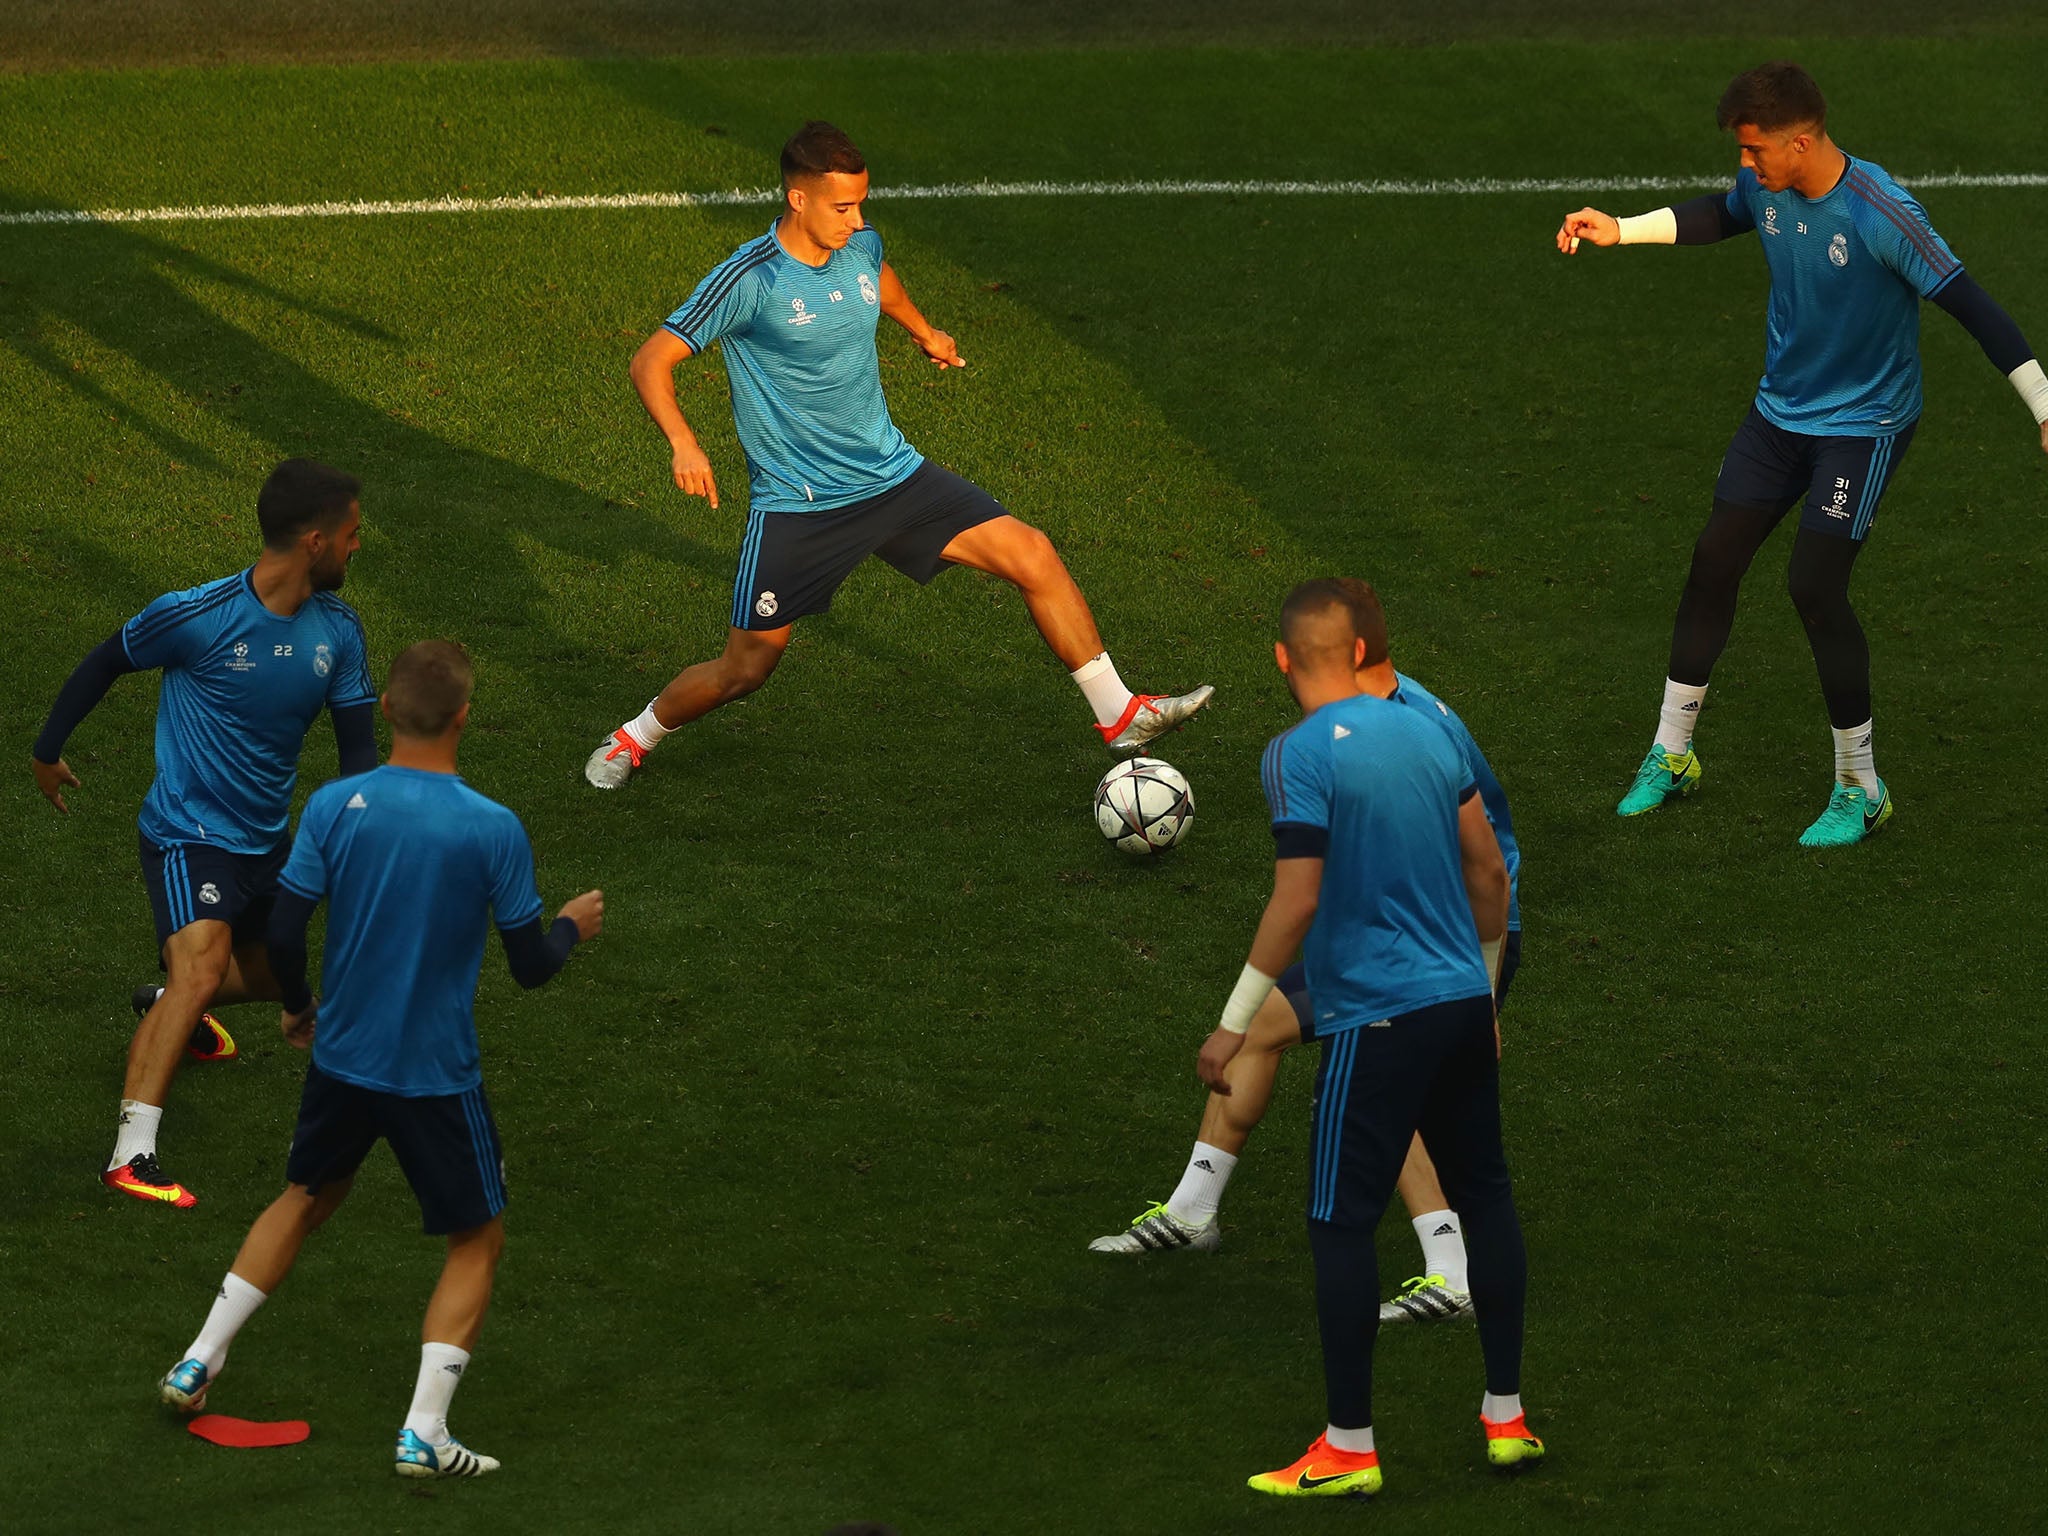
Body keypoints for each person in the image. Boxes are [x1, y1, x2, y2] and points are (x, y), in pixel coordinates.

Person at [583, 120, 1210, 789]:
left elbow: (879, 281)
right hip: (802, 507)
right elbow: (652, 359)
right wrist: (684, 441)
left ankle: (1120, 714)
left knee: (1033, 553)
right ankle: (635, 736)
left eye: (861, 205)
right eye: (842, 207)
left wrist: (923, 331)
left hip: (893, 478)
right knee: (745, 670)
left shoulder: (860, 247)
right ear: (799, 199)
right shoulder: (751, 279)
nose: (857, 222)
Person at [1557, 61, 2048, 847]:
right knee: (1714, 560)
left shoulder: (1882, 213)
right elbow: (1720, 215)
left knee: (1814, 586)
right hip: (1778, 414)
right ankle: (1672, 755)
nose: (1745, 166)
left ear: (1801, 140)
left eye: (1755, 151)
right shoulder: (1767, 186)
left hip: (1863, 426)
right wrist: (1621, 227)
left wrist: (2044, 403)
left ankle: (1861, 787)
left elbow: (1971, 303)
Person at [157, 640, 604, 1480]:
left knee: (304, 1197)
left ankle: (198, 1360)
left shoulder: (334, 805)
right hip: (434, 1073)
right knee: (477, 1237)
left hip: (343, 1057)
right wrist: (573, 925)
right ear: (465, 716)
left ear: (389, 712)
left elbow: (285, 930)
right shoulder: (492, 828)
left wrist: (296, 1006)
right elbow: (531, 968)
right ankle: (423, 1432)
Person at [1091, 580, 1521, 1329]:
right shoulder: (1382, 714)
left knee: (1387, 1077)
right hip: (1388, 927)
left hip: (1438, 943)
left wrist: (1480, 989)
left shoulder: (1404, 730)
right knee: (1263, 1031)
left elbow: (1483, 872)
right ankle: (1195, 1211)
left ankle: (1450, 1271)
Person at [1200, 580, 1537, 1499]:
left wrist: (1234, 1025)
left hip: (1376, 1016)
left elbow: (1296, 898)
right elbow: (1489, 875)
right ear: (1358, 653)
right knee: (1489, 1198)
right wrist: (1486, 988)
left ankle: (1349, 1448)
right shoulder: (1431, 728)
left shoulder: (1293, 757)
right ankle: (1506, 1418)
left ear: (1283, 660)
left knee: (1339, 1224)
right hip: (1464, 1002)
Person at [30, 458, 376, 1206]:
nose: (358, 548)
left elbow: (357, 756)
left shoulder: (340, 631)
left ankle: (173, 1008)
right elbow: (105, 661)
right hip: (188, 833)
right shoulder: (200, 616)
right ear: (314, 541)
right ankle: (131, 1153)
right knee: (202, 967)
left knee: (278, 974)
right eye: (351, 535)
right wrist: (48, 751)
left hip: (267, 839)